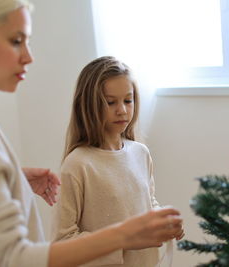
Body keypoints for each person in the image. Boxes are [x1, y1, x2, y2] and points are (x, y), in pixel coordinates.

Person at [0, 1, 183, 267]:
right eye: (16, 40)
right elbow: (11, 257)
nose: (29, 57)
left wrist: (14, 179)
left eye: (28, 41)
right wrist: (124, 235)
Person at [52, 56, 184, 267]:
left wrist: (162, 223)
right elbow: (63, 240)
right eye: (110, 102)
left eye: (128, 100)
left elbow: (148, 203)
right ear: (88, 105)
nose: (122, 110)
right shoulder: (78, 164)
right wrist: (125, 241)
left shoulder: (141, 153)